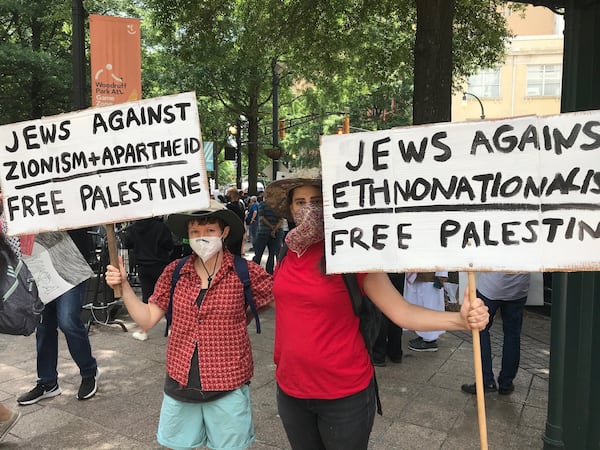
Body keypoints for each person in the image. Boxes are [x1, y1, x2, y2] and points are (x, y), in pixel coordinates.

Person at [265, 177, 489, 450]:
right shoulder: (288, 250)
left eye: (317, 201)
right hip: (290, 390)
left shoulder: (352, 254)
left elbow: (402, 311)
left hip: (343, 394)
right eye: (300, 202)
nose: (308, 209)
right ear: (290, 209)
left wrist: (459, 320)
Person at [105, 200, 274, 450]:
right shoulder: (175, 272)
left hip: (228, 383)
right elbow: (148, 318)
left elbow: (274, 297)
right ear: (187, 235)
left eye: (209, 230)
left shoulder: (245, 272)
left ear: (224, 232)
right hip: (181, 381)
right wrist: (125, 287)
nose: (202, 237)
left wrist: (245, 315)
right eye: (195, 232)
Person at [18, 229, 99, 405]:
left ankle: (88, 371)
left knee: (68, 320)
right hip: (37, 258)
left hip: (68, 254)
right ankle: (47, 382)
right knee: (44, 324)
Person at [461, 272, 530, 395]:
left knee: (480, 330)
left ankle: (486, 381)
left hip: (490, 286)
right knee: (512, 335)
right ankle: (506, 383)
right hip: (518, 287)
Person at [123, 216, 175, 341]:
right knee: (167, 297)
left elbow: (127, 243)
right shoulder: (161, 227)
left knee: (147, 298)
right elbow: (169, 245)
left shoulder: (134, 228)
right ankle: (171, 327)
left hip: (143, 266)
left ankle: (143, 330)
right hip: (160, 265)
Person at [403, 271, 448, 352]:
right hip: (420, 273)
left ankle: (430, 340)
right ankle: (423, 335)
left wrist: (442, 274)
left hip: (431, 276)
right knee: (420, 306)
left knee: (430, 306)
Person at [372, 273, 405, 367]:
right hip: (397, 269)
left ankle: (379, 354)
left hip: (380, 271)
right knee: (397, 307)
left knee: (380, 311)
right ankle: (395, 353)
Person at [252, 194, 284, 274]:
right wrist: (274, 229)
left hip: (263, 232)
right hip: (276, 233)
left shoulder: (262, 204)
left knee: (258, 253)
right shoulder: (278, 206)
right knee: (272, 254)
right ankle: (269, 272)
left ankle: (255, 271)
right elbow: (281, 220)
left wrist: (270, 227)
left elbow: (262, 218)